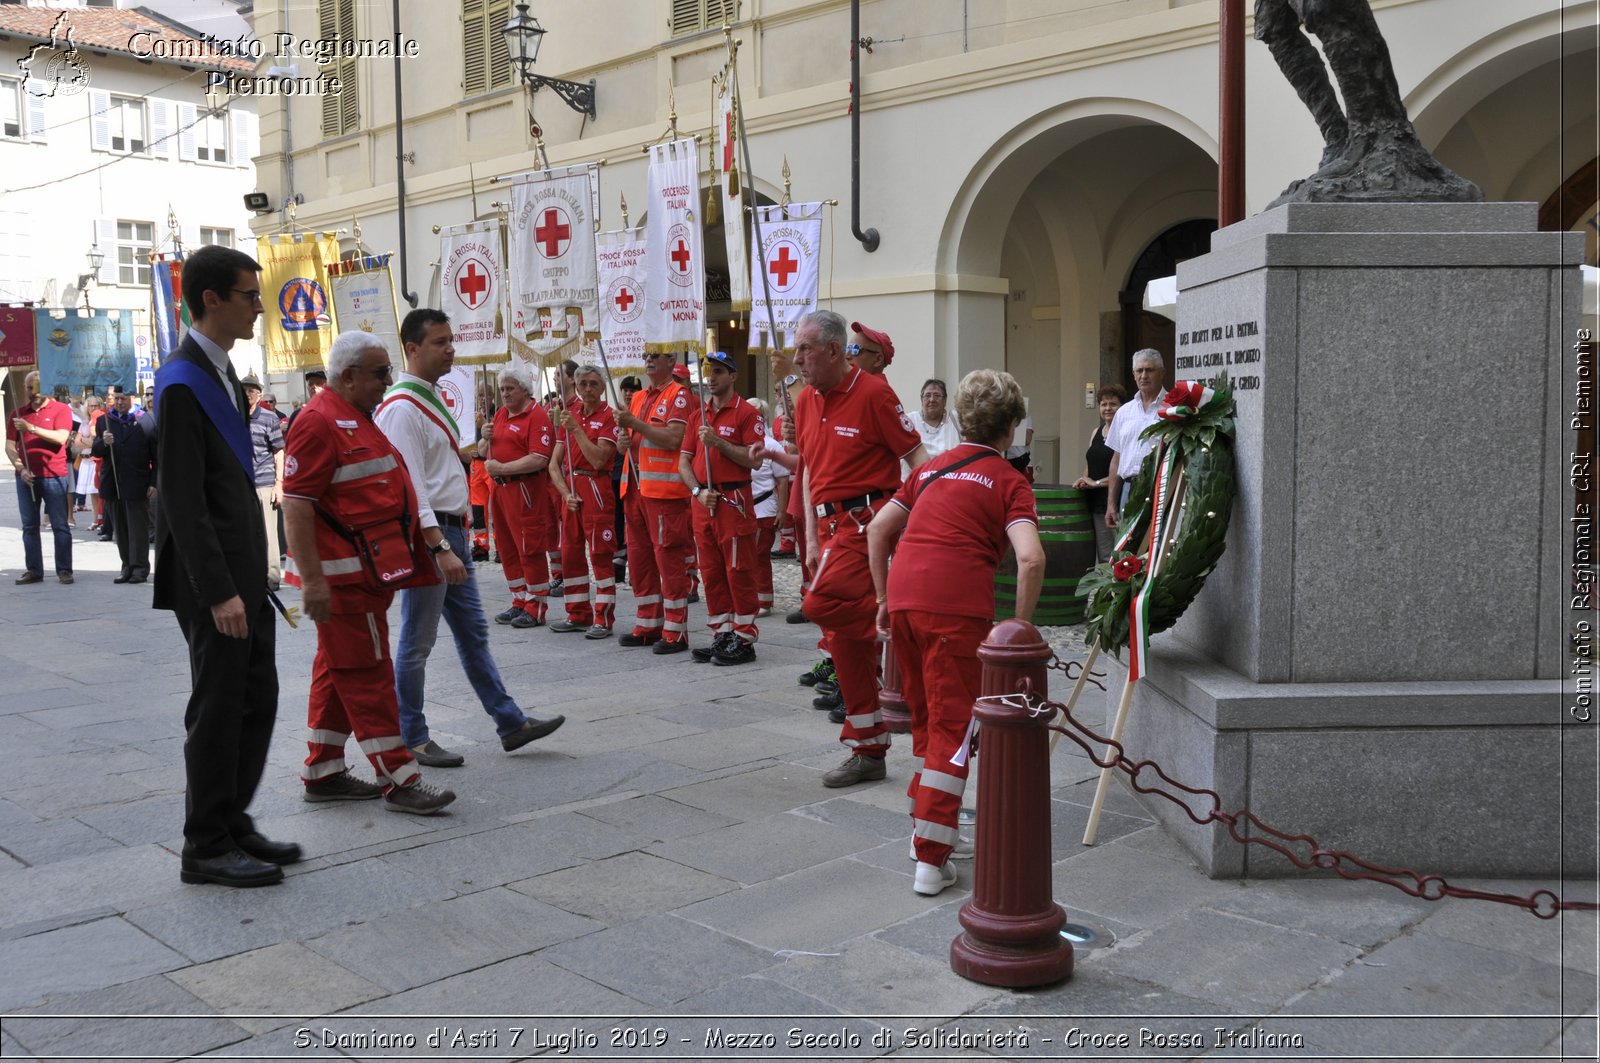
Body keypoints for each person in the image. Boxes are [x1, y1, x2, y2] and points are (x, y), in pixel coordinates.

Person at [867, 368, 1044, 896]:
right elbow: (1031, 559)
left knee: (927, 722)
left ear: (963, 418)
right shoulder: (1010, 480)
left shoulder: (930, 469)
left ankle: (927, 826)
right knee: (953, 729)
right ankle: (930, 859)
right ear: (1010, 427)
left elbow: (879, 529)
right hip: (956, 608)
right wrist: (1020, 630)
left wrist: (880, 598)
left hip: (903, 598)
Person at [153, 244, 294, 887]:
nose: (258, 308)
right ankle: (204, 843)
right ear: (212, 299)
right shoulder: (185, 378)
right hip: (214, 583)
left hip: (244, 574)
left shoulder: (222, 371)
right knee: (218, 705)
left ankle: (233, 819)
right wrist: (217, 590)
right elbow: (183, 499)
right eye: (247, 295)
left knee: (254, 698)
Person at [377, 308, 565, 769]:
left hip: (451, 531)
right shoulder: (403, 407)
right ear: (413, 349)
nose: (451, 349)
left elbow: (436, 467)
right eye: (440, 342)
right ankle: (412, 736)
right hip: (434, 535)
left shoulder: (427, 398)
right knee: (417, 642)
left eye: (450, 340)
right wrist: (438, 545)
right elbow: (411, 484)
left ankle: (509, 722)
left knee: (474, 635)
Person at [283, 330, 456, 816]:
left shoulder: (355, 415)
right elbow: (296, 504)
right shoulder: (319, 422)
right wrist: (314, 583)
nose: (387, 380)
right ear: (348, 376)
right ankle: (400, 779)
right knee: (367, 674)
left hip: (367, 574)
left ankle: (324, 772)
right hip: (344, 583)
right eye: (380, 373)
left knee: (336, 672)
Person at [793, 309, 926, 788]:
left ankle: (892, 635)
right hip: (827, 531)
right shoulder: (805, 400)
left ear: (833, 350)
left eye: (806, 349)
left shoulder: (873, 393)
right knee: (844, 642)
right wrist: (809, 538)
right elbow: (808, 470)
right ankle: (868, 749)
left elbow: (915, 456)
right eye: (797, 349)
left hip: (865, 524)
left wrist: (923, 512)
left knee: (820, 604)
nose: (798, 359)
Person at [679, 351, 765, 665]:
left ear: (732, 376)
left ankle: (744, 638)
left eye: (718, 371)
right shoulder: (697, 415)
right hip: (704, 501)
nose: (711, 377)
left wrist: (720, 444)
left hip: (733, 501)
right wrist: (698, 490)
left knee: (738, 569)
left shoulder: (746, 414)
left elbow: (754, 459)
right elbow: (684, 462)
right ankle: (722, 633)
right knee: (712, 572)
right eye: (708, 371)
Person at [615, 351, 697, 654]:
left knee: (668, 560)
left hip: (663, 493)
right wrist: (626, 441)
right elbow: (634, 440)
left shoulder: (679, 395)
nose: (648, 360)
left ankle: (676, 630)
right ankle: (648, 623)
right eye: (646, 355)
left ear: (670, 360)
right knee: (640, 561)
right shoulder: (639, 397)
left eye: (656, 356)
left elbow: (674, 439)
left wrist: (635, 424)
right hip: (635, 490)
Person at [483, 364, 558, 628]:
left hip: (524, 490)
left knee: (530, 546)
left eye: (510, 388)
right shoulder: (502, 413)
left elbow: (539, 458)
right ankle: (519, 600)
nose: (504, 393)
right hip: (501, 490)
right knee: (506, 546)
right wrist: (484, 437)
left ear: (524, 390)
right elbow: (483, 451)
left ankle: (536, 605)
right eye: (502, 389)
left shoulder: (537, 416)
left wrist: (502, 468)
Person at [550, 364, 621, 637]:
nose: (588, 389)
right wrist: (565, 493)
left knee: (600, 554)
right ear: (576, 387)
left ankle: (603, 618)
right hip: (572, 488)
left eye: (593, 384)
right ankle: (577, 612)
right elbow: (553, 464)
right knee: (570, 553)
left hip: (595, 485)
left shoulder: (609, 417)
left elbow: (599, 458)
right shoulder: (570, 414)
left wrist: (577, 430)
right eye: (583, 385)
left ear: (602, 387)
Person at [7, 370, 75, 584]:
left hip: (53, 475)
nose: (33, 392)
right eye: (29, 388)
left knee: (59, 525)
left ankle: (64, 569)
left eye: (36, 387)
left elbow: (61, 438)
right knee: (29, 525)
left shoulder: (61, 410)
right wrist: (21, 468)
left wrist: (31, 428)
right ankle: (34, 570)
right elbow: (10, 446)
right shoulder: (17, 413)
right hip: (26, 477)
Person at [92, 386, 157, 583]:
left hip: (137, 482)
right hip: (113, 482)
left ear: (132, 398)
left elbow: (156, 456)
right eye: (117, 399)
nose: (119, 403)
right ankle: (126, 565)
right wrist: (104, 442)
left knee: (137, 528)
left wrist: (154, 482)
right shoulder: (105, 421)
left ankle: (139, 568)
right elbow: (96, 450)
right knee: (120, 529)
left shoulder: (144, 420)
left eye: (123, 399)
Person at [1104, 349, 1168, 530]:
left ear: (1162, 373)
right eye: (1139, 371)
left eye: (1150, 370)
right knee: (1128, 550)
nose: (1144, 375)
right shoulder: (1124, 412)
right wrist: (1111, 503)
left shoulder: (1173, 408)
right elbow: (1116, 460)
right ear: (1133, 375)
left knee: (1157, 548)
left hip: (1161, 490)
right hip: (1128, 490)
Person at [240, 374, 286, 589]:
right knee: (246, 533)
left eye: (251, 390)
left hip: (265, 482)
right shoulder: (235, 416)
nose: (247, 393)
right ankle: (253, 574)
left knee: (269, 534)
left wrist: (279, 483)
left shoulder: (269, 418)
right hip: (242, 485)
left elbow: (279, 451)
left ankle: (272, 576)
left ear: (259, 395)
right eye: (244, 389)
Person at [1073, 384, 1127, 562]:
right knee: (1099, 555)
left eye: (1113, 404)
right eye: (1104, 404)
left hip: (1113, 502)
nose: (1108, 408)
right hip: (1092, 503)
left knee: (1113, 556)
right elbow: (1090, 464)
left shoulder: (1124, 432)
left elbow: (1121, 470)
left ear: (1122, 407)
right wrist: (1083, 479)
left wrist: (1095, 483)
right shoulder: (1096, 432)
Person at [748, 399, 790, 618]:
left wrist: (782, 511)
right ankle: (752, 596)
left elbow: (783, 480)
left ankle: (763, 600)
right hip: (744, 509)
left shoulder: (771, 445)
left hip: (764, 509)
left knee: (759, 556)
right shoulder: (741, 441)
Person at [907, 379, 961, 461]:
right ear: (921, 400)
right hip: (917, 473)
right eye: (927, 395)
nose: (932, 400)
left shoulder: (956, 420)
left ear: (945, 401)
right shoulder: (910, 421)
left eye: (937, 395)